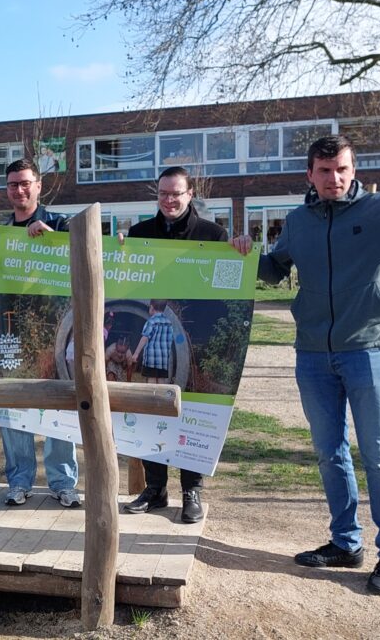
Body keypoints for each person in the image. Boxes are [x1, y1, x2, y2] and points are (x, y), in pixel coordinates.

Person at [230, 134, 380, 596]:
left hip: (367, 351)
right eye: (324, 171)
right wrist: (247, 256)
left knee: (379, 456)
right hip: (312, 356)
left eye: (342, 169)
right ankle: (346, 543)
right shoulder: (298, 221)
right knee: (330, 453)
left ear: (353, 169)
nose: (334, 178)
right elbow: (275, 270)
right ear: (309, 174)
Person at [120, 165, 228, 522]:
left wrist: (239, 249)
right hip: (154, 342)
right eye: (163, 193)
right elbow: (125, 281)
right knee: (151, 408)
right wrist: (117, 252)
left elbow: (226, 287)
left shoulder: (213, 235)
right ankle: (155, 488)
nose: (169, 200)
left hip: (194, 341)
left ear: (190, 194)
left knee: (190, 412)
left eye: (176, 193)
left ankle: (191, 490)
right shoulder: (139, 233)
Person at [0, 158, 81, 509]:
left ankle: (62, 482)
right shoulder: (0, 233)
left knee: (59, 410)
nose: (18, 190)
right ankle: (19, 481)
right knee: (14, 412)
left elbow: (82, 272)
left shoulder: (61, 224)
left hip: (56, 333)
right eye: (12, 185)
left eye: (25, 183)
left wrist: (56, 242)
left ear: (39, 185)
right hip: (14, 335)